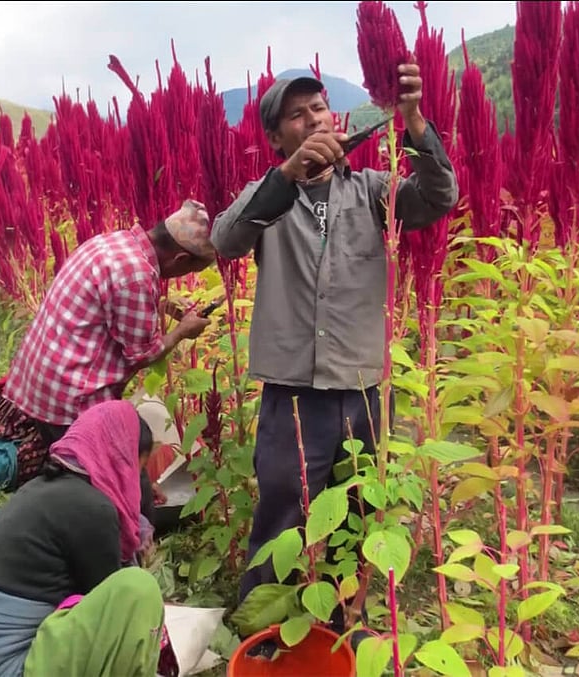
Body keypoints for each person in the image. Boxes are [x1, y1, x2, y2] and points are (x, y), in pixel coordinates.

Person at [210, 63, 459, 622]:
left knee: (355, 520)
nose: (312, 119)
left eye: (317, 107)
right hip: (292, 398)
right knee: (281, 518)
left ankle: (342, 630)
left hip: (363, 393)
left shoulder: (373, 191)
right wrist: (288, 177)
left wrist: (414, 121)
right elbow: (225, 240)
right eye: (296, 115)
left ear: (335, 115)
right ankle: (262, 635)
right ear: (277, 138)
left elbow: (440, 195)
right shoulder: (266, 199)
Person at [0, 198, 216, 496]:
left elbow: (106, 307)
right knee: (125, 460)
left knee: (106, 467)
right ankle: (129, 513)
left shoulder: (113, 243)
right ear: (180, 260)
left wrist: (160, 305)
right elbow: (143, 354)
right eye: (192, 270)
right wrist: (183, 331)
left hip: (36, 384)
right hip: (69, 398)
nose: (185, 277)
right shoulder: (136, 274)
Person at [0, 400, 168, 677]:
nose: (138, 482)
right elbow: (113, 614)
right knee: (137, 590)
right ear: (120, 458)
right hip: (9, 667)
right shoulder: (93, 509)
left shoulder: (44, 488)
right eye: (138, 469)